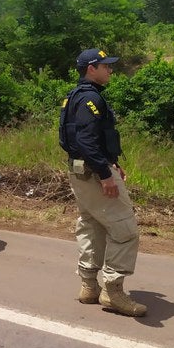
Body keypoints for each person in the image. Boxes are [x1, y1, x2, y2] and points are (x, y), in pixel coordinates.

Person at [59, 48, 146, 317]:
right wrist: (105, 174)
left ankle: (89, 286)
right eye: (104, 66)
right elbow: (86, 141)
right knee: (124, 229)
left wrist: (113, 163)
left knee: (92, 225)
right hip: (94, 174)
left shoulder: (74, 97)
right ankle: (113, 291)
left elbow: (88, 139)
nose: (110, 69)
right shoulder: (90, 99)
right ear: (90, 69)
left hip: (81, 171)